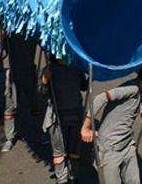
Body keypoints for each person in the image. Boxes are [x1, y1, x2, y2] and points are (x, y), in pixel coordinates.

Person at [81, 61, 142, 184]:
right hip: (110, 148)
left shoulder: (141, 95)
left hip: (127, 145)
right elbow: (100, 98)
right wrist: (86, 127)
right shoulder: (131, 88)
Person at [40, 54, 88, 184]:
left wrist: (90, 73)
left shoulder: (76, 68)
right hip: (57, 117)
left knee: (74, 150)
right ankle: (62, 180)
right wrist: (45, 80)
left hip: (76, 114)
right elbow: (42, 93)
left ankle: (73, 177)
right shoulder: (49, 69)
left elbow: (84, 87)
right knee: (59, 152)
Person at [1, 30, 41, 152]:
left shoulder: (33, 32)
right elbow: (1, 54)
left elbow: (45, 47)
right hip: (14, 75)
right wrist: (4, 40)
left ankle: (41, 134)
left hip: (29, 74)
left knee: (36, 107)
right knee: (10, 108)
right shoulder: (10, 33)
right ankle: (9, 138)